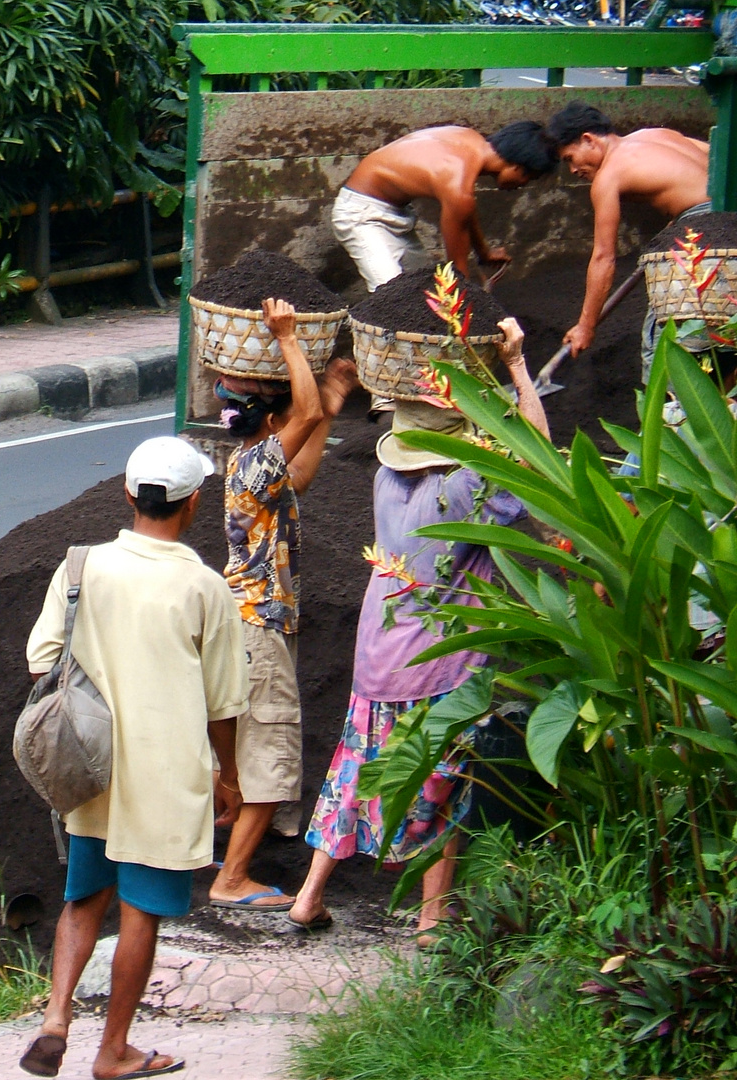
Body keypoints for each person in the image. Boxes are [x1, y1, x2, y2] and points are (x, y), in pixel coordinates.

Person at [287, 318, 548, 943]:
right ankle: (433, 916)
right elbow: (539, 457)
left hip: (379, 648)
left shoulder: (386, 479)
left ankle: (308, 895)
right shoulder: (466, 486)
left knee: (356, 764)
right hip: (441, 657)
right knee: (442, 774)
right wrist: (514, 369)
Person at [20, 437, 247, 1080]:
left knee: (83, 897)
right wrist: (229, 777)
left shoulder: (81, 566)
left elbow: (42, 659)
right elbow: (224, 703)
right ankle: (113, 1050)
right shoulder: (204, 586)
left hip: (89, 767)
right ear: (194, 502)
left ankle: (56, 1019)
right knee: (140, 911)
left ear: (128, 492)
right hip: (164, 775)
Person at [207, 301, 358, 912]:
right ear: (273, 422)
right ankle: (232, 878)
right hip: (258, 628)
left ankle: (229, 845)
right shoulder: (251, 469)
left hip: (250, 625)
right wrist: (290, 339)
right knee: (272, 755)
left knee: (250, 755)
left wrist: (331, 402)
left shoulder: (252, 468)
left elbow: (303, 475)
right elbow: (308, 410)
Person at [544, 101, 710, 380]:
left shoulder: (609, 176)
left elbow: (604, 257)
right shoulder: (655, 134)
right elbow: (719, 155)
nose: (572, 170)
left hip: (705, 228)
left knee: (663, 340)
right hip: (722, 213)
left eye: (570, 158)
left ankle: (665, 418)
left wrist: (586, 326)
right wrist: (684, 214)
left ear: (588, 140)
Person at [332, 123, 555, 291]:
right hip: (360, 216)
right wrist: (467, 302)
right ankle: (368, 351)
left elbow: (466, 211)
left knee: (422, 290)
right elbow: (457, 272)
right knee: (391, 294)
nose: (522, 186)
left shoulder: (469, 138)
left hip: (396, 213)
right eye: (529, 179)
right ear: (518, 168)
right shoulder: (458, 185)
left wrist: (483, 252)